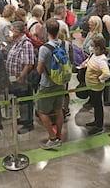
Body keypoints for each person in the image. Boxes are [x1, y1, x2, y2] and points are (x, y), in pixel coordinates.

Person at [36, 18, 67, 149]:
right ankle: (59, 135)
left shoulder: (44, 48)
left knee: (42, 111)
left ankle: (52, 138)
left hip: (47, 84)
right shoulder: (65, 44)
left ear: (47, 31)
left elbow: (39, 69)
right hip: (61, 82)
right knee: (58, 110)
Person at [6, 21, 36, 134]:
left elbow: (28, 64)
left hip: (23, 80)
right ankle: (23, 118)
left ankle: (28, 123)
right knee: (21, 100)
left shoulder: (26, 44)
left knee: (25, 101)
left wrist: (21, 77)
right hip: (15, 79)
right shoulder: (17, 42)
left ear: (17, 32)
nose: (11, 32)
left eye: (12, 30)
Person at [82, 35, 110, 136]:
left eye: (92, 46)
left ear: (98, 47)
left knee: (98, 106)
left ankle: (99, 126)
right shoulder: (94, 55)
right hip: (91, 86)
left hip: (96, 88)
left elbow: (107, 74)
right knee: (95, 105)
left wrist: (100, 79)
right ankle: (96, 121)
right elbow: (89, 61)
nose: (91, 47)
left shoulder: (102, 60)